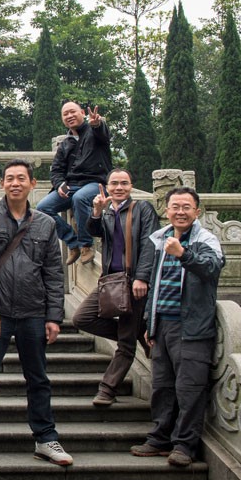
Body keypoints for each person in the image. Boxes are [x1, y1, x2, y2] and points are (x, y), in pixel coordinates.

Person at [0, 159, 72, 466]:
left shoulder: (45, 223)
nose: (15, 183)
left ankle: (46, 438)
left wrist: (54, 316)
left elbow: (53, 272)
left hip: (33, 311)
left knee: (38, 378)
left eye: (21, 178)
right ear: (2, 183)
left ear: (32, 183)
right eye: (10, 178)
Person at [131, 187, 224, 468]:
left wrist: (183, 253)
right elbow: (155, 285)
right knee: (162, 387)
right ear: (166, 210)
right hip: (164, 325)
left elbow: (211, 269)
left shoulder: (205, 240)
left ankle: (185, 445)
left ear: (197, 211)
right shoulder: (161, 238)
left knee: (189, 388)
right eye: (175, 207)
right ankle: (160, 438)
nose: (180, 212)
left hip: (192, 327)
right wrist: (151, 323)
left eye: (186, 207)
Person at [73, 169, 160, 406]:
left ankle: (107, 389)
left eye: (124, 183)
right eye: (114, 183)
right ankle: (138, 331)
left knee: (125, 344)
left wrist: (142, 277)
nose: (119, 187)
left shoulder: (142, 209)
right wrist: (96, 212)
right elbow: (93, 232)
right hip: (111, 281)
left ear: (131, 186)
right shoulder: (108, 212)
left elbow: (150, 244)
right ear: (106, 186)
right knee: (82, 318)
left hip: (134, 282)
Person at [36, 102, 113, 265]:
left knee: (80, 198)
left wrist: (97, 124)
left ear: (82, 112)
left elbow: (104, 134)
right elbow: (56, 170)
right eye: (65, 114)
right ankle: (73, 242)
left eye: (73, 112)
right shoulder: (65, 144)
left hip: (95, 183)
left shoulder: (94, 132)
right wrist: (60, 185)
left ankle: (86, 245)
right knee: (42, 209)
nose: (69, 116)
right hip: (72, 185)